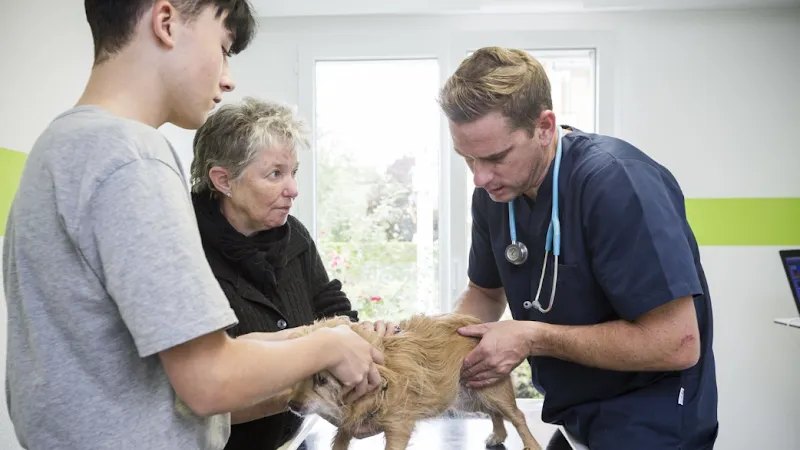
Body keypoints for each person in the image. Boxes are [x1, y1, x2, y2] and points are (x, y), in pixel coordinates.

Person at [2, 2, 383, 449]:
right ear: (166, 23)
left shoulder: (59, 146)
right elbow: (209, 380)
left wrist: (311, 336)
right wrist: (328, 348)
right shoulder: (132, 156)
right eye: (223, 48)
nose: (228, 78)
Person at [439, 47, 719, 450]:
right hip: (576, 413)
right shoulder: (495, 194)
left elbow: (676, 342)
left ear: (545, 127)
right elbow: (485, 292)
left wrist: (533, 337)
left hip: (650, 418)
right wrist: (436, 344)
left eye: (495, 157)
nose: (480, 177)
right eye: (467, 159)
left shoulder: (617, 183)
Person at [189, 97, 399, 450]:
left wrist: (360, 337)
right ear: (224, 180)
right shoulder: (185, 249)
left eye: (293, 172)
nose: (293, 189)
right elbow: (205, 383)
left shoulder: (293, 234)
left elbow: (330, 306)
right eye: (275, 174)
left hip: (292, 440)